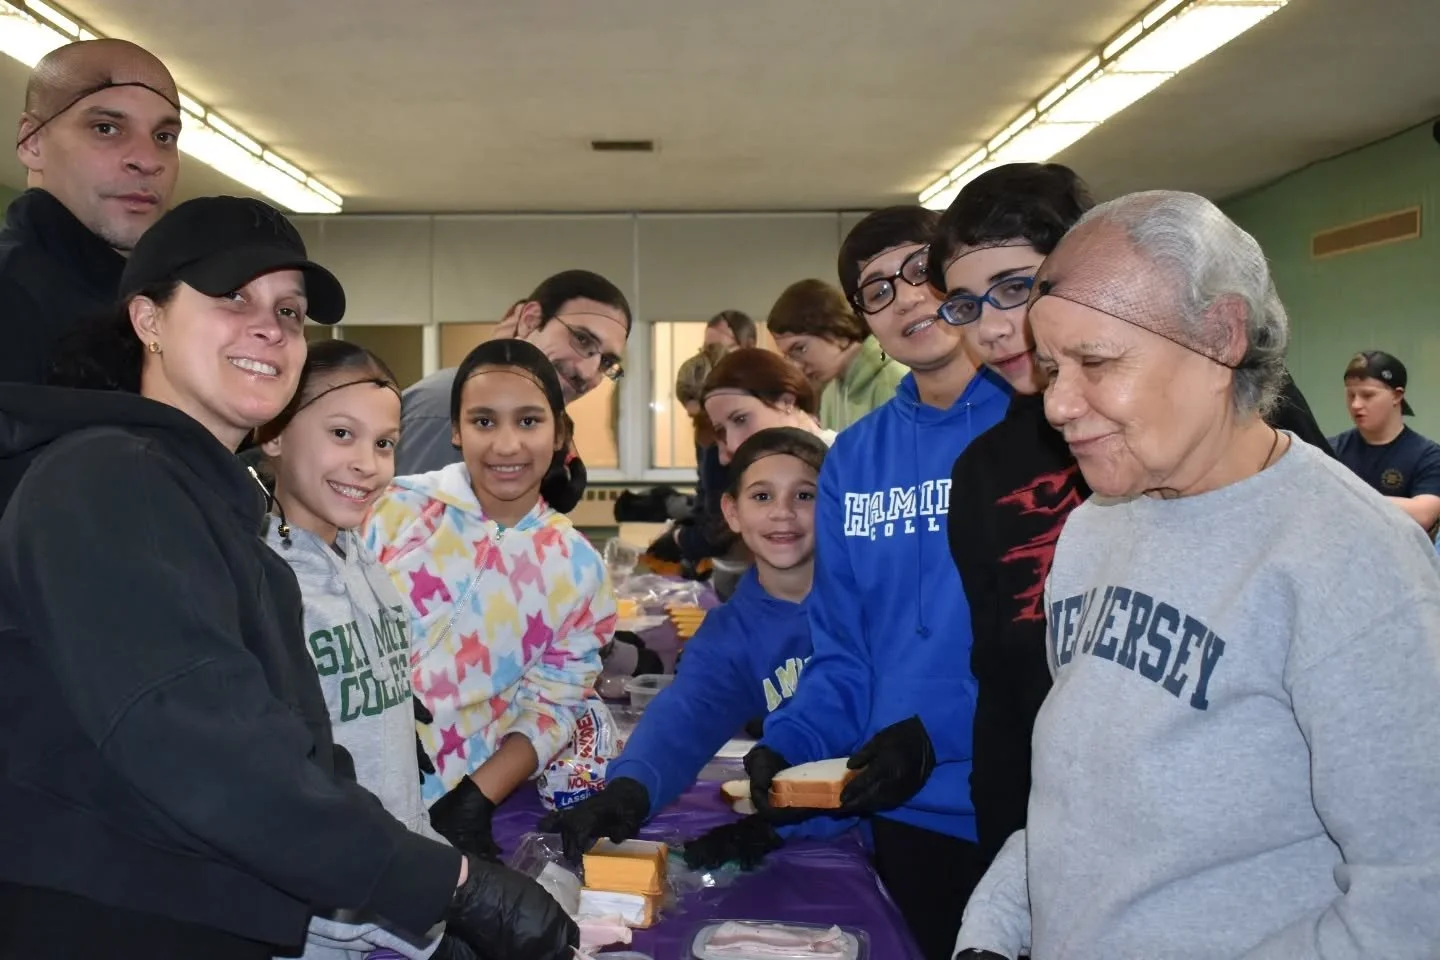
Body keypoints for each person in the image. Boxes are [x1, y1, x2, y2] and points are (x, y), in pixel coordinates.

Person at [0, 196, 575, 960]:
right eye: (231, 298)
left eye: (291, 311)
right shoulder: (110, 480)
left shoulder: (213, 500)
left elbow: (295, 744)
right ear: (149, 320)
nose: (269, 327)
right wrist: (451, 885)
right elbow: (211, 752)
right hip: (115, 922)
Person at [954, 191, 1440, 960]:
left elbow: (1415, 904)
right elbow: (1073, 800)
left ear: (1220, 338)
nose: (1058, 404)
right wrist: (993, 929)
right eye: (1051, 367)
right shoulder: (1094, 527)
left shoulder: (1354, 563)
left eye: (1096, 362)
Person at [744, 206, 1010, 960]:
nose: (905, 299)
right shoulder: (855, 459)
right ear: (863, 318)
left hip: (1020, 806)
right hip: (901, 816)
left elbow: (1054, 648)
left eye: (922, 272)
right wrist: (790, 741)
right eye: (876, 289)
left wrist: (937, 735)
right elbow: (844, 651)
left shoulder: (1037, 430)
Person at [255, 340, 480, 960]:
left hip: (398, 902)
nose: (367, 463)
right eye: (341, 434)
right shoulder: (260, 580)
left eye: (384, 444)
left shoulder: (369, 566)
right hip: (313, 927)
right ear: (273, 435)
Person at [544, 428, 846, 869]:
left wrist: (780, 827)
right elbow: (685, 716)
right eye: (762, 497)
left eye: (804, 496)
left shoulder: (863, 605)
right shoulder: (731, 631)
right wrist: (629, 790)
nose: (783, 513)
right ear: (732, 511)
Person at [364, 338, 615, 862]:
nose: (506, 446)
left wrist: (477, 797)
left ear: (560, 432)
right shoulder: (389, 508)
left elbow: (555, 702)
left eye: (528, 421)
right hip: (338, 778)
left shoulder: (577, 567)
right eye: (483, 422)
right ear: (456, 430)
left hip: (448, 802)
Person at [927, 163, 1094, 871]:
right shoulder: (983, 470)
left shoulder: (1198, 417)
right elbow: (999, 680)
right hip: (1036, 824)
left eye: (1016, 290)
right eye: (966, 304)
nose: (994, 330)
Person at [0, 38, 180, 384]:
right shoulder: (11, 298)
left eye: (164, 137)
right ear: (31, 142)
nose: (147, 160)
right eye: (106, 128)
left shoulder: (169, 312)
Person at [396, 271, 631, 474]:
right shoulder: (447, 406)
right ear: (530, 321)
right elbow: (404, 523)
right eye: (581, 339)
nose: (589, 373)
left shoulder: (542, 428)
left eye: (606, 361)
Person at [768, 278, 907, 431]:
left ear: (834, 329)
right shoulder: (830, 394)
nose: (797, 366)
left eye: (800, 349)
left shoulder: (895, 380)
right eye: (788, 356)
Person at [1330, 350, 1440, 531]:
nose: (1356, 404)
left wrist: (1345, 497)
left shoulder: (1429, 456)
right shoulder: (1330, 450)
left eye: (1368, 395)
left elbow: (1422, 514)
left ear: (1396, 396)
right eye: (1351, 395)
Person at [647, 343, 735, 570]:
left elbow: (720, 532)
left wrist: (681, 539)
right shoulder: (708, 441)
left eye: (705, 420)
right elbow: (707, 495)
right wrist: (688, 527)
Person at [701, 347, 836, 463]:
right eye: (722, 431)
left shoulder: (849, 461)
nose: (732, 445)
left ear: (786, 402)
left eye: (741, 419)